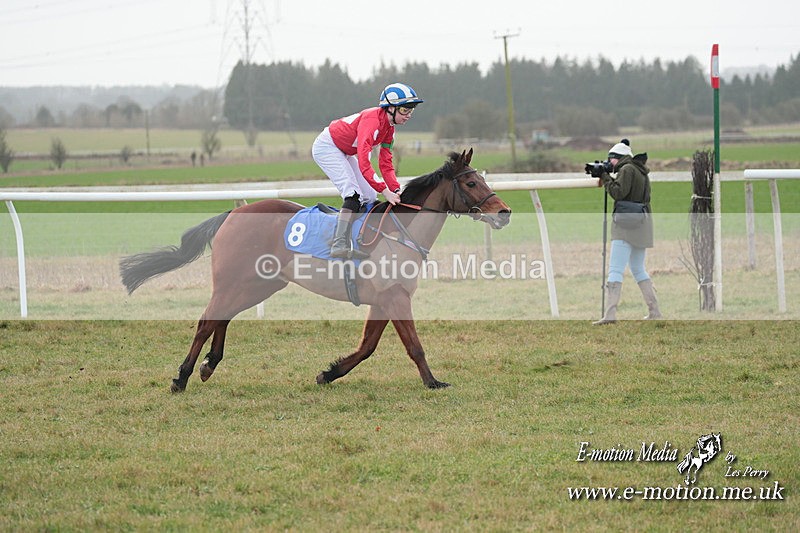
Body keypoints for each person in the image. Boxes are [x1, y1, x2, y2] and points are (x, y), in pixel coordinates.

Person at [312, 82, 423, 259]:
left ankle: (357, 239)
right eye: (404, 110)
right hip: (328, 147)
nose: (408, 114)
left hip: (346, 150)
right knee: (353, 194)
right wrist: (384, 190)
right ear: (390, 108)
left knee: (370, 197)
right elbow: (365, 163)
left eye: (411, 110)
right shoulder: (372, 122)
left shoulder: (390, 129)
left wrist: (395, 189)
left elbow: (386, 163)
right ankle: (338, 243)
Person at [593, 139, 663, 325]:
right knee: (638, 269)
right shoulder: (640, 170)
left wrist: (605, 177)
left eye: (611, 160)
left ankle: (610, 314)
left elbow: (618, 193)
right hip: (643, 223)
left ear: (618, 158)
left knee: (615, 269)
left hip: (625, 225)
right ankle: (654, 310)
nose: (610, 163)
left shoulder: (626, 170)